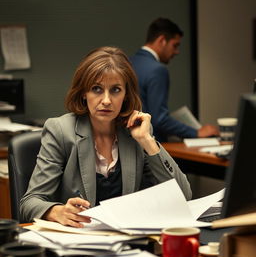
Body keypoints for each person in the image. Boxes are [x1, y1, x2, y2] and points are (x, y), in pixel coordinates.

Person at [20, 46, 192, 227]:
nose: (107, 100)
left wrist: (147, 142)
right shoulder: (61, 131)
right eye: (96, 89)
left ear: (126, 95)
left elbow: (183, 196)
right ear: (83, 94)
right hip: (78, 242)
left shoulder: (136, 133)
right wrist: (56, 211)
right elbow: (29, 203)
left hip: (127, 241)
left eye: (116, 90)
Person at [130, 17, 219, 142]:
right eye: (175, 45)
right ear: (162, 40)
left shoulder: (127, 62)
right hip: (149, 145)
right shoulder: (157, 70)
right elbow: (159, 119)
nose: (177, 52)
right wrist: (196, 132)